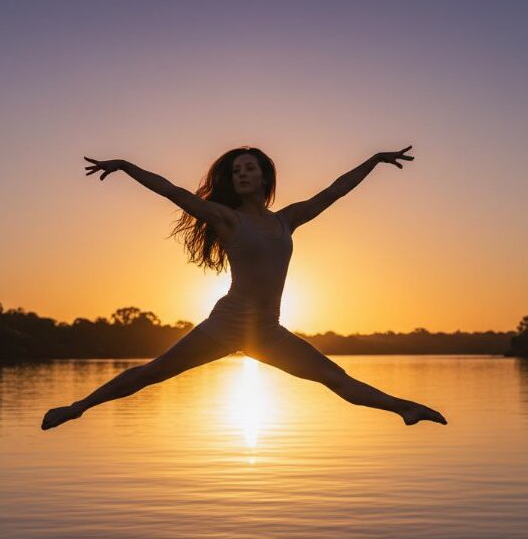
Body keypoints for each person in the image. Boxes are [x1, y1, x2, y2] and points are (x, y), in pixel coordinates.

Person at [41, 146, 447, 430]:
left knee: (335, 377)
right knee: (155, 372)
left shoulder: (287, 220)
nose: (242, 174)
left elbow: (334, 191)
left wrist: (374, 160)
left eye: (249, 168)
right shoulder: (226, 218)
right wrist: (126, 165)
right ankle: (78, 407)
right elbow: (172, 191)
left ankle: (405, 409)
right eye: (236, 171)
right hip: (228, 323)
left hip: (268, 331)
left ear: (265, 176)